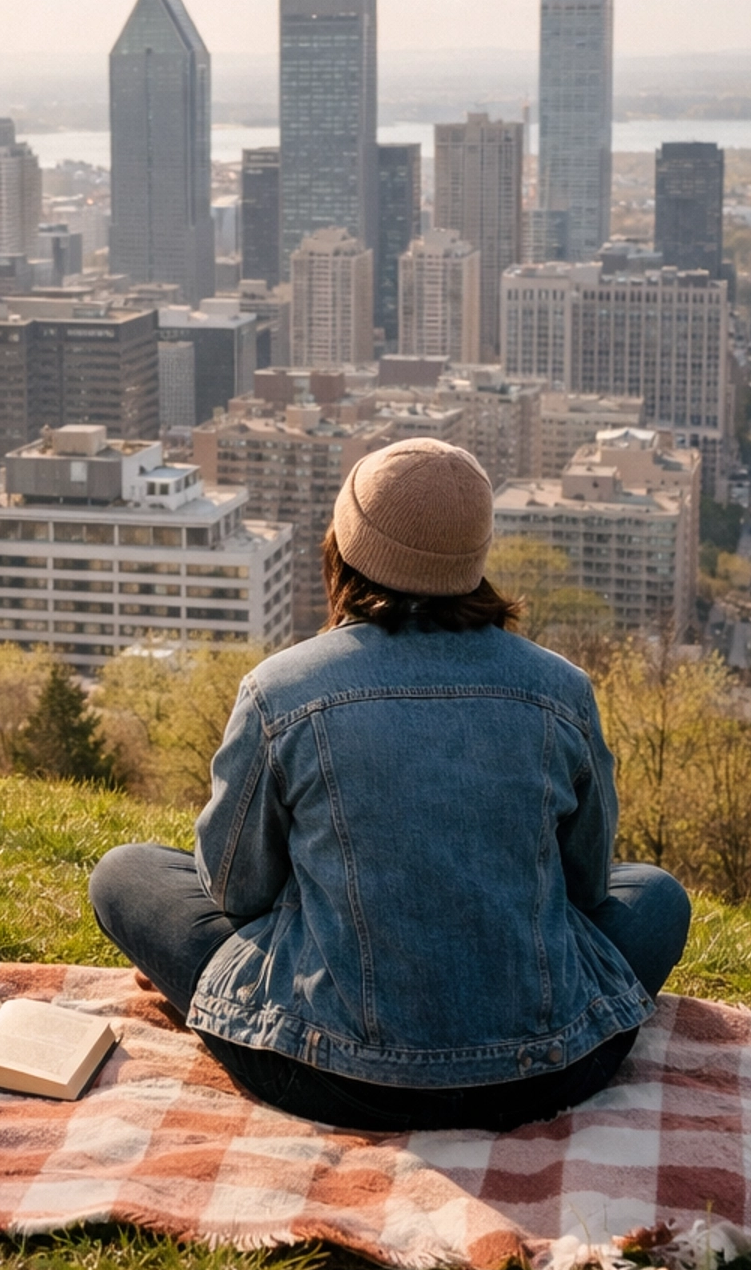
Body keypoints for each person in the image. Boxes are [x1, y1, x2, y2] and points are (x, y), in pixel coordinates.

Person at [89, 438, 690, 1133]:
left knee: (125, 873)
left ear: (344, 546)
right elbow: (587, 891)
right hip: (545, 1069)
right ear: (477, 555)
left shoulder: (281, 691)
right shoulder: (561, 690)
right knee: (655, 896)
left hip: (330, 1073)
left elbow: (234, 892)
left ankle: (224, 992)